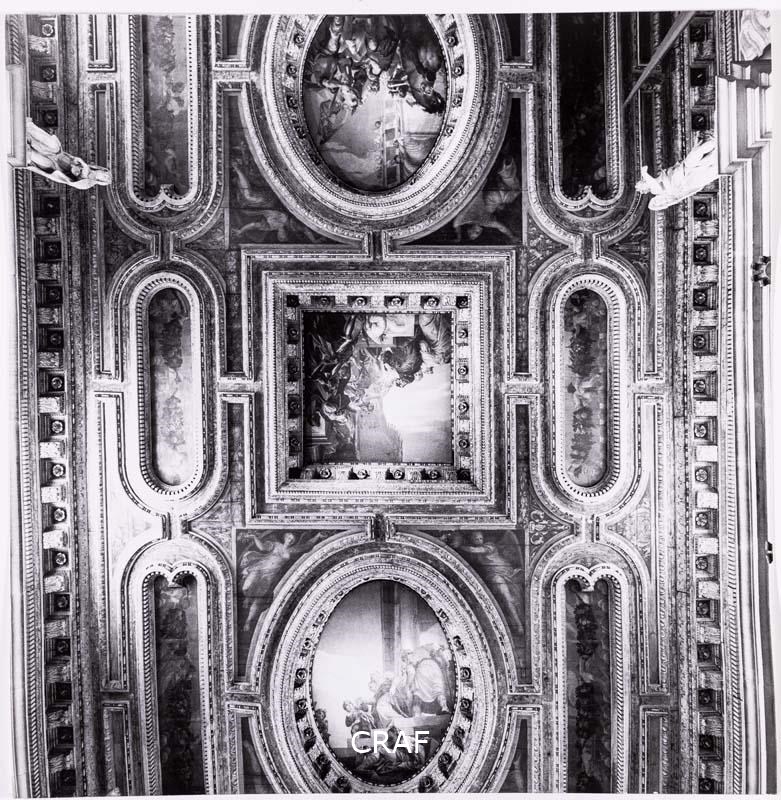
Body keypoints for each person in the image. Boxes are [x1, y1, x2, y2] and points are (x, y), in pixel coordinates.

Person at [456, 531, 526, 635]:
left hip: (505, 573)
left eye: (480, 538)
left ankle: (519, 625)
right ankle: (516, 625)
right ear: (472, 540)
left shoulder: (489, 546)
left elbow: (473, 550)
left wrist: (459, 546)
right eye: (476, 539)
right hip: (494, 576)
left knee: (509, 599)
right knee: (505, 599)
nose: (479, 541)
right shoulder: (474, 556)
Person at [25, 117, 111, 189]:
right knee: (53, 145)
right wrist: (79, 161)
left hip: (54, 167)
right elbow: (74, 161)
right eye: (105, 174)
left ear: (101, 181)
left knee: (35, 157)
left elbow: (76, 180)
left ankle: (25, 149)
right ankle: (28, 127)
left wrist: (83, 164)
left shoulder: (87, 184)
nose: (103, 175)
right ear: (101, 170)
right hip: (59, 155)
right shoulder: (89, 167)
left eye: (104, 178)